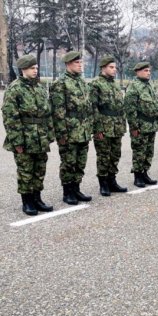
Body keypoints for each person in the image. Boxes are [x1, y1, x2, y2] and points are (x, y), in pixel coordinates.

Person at [2, 55, 54, 215]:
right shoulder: (15, 88)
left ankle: (37, 199)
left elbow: (47, 113)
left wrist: (49, 134)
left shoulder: (39, 88)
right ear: (23, 69)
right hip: (25, 138)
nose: (35, 71)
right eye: (32, 68)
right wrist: (17, 141)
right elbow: (10, 117)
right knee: (26, 171)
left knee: (39, 169)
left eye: (36, 68)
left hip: (40, 137)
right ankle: (27, 202)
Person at [50, 51, 93, 205]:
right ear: (68, 64)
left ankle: (76, 189)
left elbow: (88, 108)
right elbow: (58, 112)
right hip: (69, 131)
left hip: (83, 130)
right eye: (77, 63)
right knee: (69, 162)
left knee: (80, 162)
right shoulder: (60, 84)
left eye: (81, 62)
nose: (80, 65)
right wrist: (61, 134)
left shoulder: (82, 82)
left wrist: (89, 127)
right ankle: (67, 192)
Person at [89, 55, 128, 196]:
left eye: (115, 67)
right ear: (103, 68)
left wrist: (123, 125)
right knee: (104, 156)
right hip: (104, 127)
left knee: (115, 155)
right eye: (111, 67)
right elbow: (93, 108)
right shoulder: (95, 84)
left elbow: (120, 107)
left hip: (116, 127)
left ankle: (112, 181)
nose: (114, 70)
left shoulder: (115, 84)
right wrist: (98, 128)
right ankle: (103, 184)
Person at [124, 62, 158, 188]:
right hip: (140, 125)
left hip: (151, 125)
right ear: (138, 72)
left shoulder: (149, 85)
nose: (149, 72)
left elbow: (155, 104)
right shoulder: (134, 86)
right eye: (146, 70)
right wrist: (133, 127)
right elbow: (130, 109)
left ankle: (145, 173)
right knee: (139, 152)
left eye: (149, 70)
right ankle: (138, 176)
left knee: (149, 152)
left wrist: (157, 121)